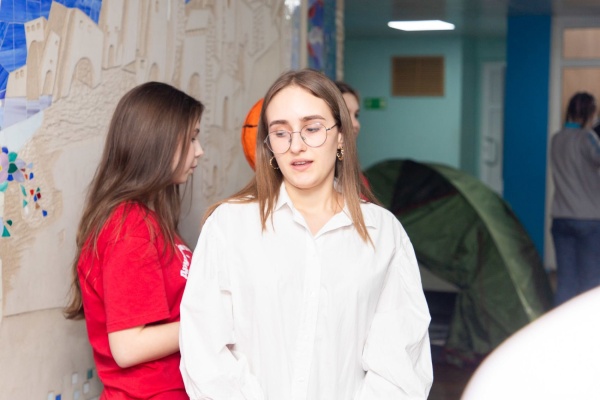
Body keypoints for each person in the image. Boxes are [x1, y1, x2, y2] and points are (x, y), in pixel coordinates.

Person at [179, 69, 433, 399]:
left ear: (341, 136)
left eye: (312, 128)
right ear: (268, 145)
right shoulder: (229, 225)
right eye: (280, 133)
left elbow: (400, 362)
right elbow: (204, 350)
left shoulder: (383, 234)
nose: (296, 146)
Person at [64, 81, 205, 399]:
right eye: (192, 138)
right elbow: (128, 347)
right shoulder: (130, 226)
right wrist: (215, 321)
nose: (199, 150)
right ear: (158, 141)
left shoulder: (146, 221)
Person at [550, 91, 600, 306]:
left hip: (561, 219)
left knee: (565, 283)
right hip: (588, 220)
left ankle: (561, 324)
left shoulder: (556, 139)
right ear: (590, 113)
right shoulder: (587, 138)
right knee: (591, 283)